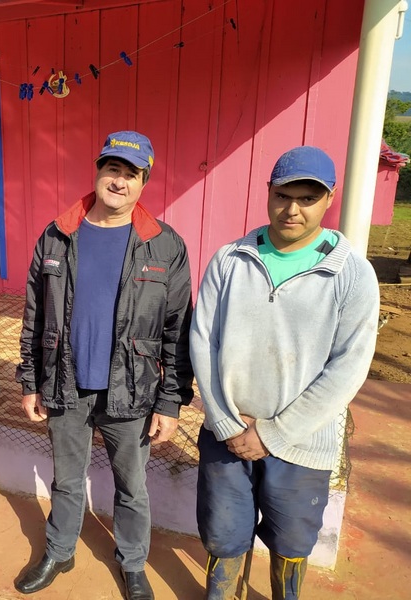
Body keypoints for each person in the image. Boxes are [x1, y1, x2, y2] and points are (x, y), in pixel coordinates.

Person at [190, 146, 380, 600]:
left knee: (292, 541)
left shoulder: (351, 274)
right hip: (228, 432)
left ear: (328, 199)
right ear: (268, 192)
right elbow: (203, 340)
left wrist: (274, 434)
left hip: (301, 440)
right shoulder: (230, 260)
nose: (292, 209)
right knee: (222, 534)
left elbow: (348, 367)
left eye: (307, 198)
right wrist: (226, 422)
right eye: (282, 195)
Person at [15, 131, 194, 600]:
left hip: (132, 390)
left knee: (132, 487)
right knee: (66, 480)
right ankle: (59, 550)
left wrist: (170, 401)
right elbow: (35, 314)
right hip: (65, 384)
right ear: (97, 172)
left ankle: (133, 564)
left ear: (144, 182)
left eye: (130, 173)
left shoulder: (164, 245)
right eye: (112, 168)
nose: (119, 180)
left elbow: (177, 330)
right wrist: (30, 380)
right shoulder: (58, 235)